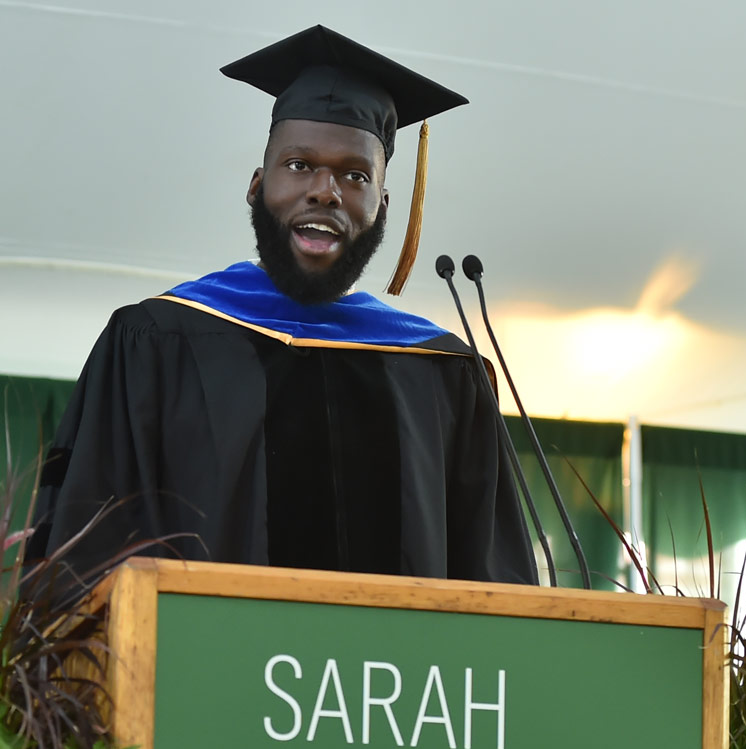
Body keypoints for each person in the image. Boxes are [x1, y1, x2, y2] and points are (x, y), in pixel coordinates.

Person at [28, 26, 538, 588]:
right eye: (298, 165)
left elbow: (494, 584)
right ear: (255, 186)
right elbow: (86, 558)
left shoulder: (441, 372)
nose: (325, 190)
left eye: (355, 174)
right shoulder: (154, 341)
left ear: (383, 206)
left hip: (397, 678)